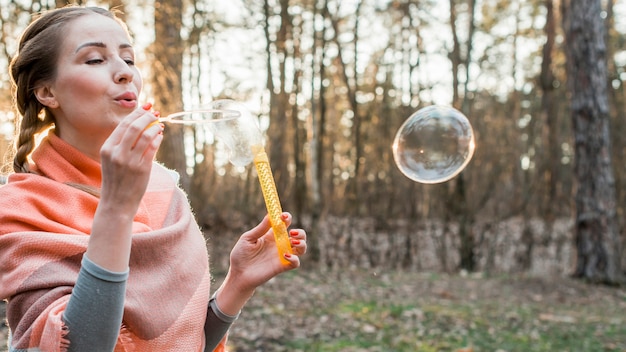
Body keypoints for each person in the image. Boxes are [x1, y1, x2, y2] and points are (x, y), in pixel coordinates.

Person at [0, 5, 307, 352]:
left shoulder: (163, 191)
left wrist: (237, 284)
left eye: (129, 59)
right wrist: (116, 209)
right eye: (95, 60)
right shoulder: (18, 210)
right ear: (47, 92)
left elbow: (184, 342)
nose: (124, 73)